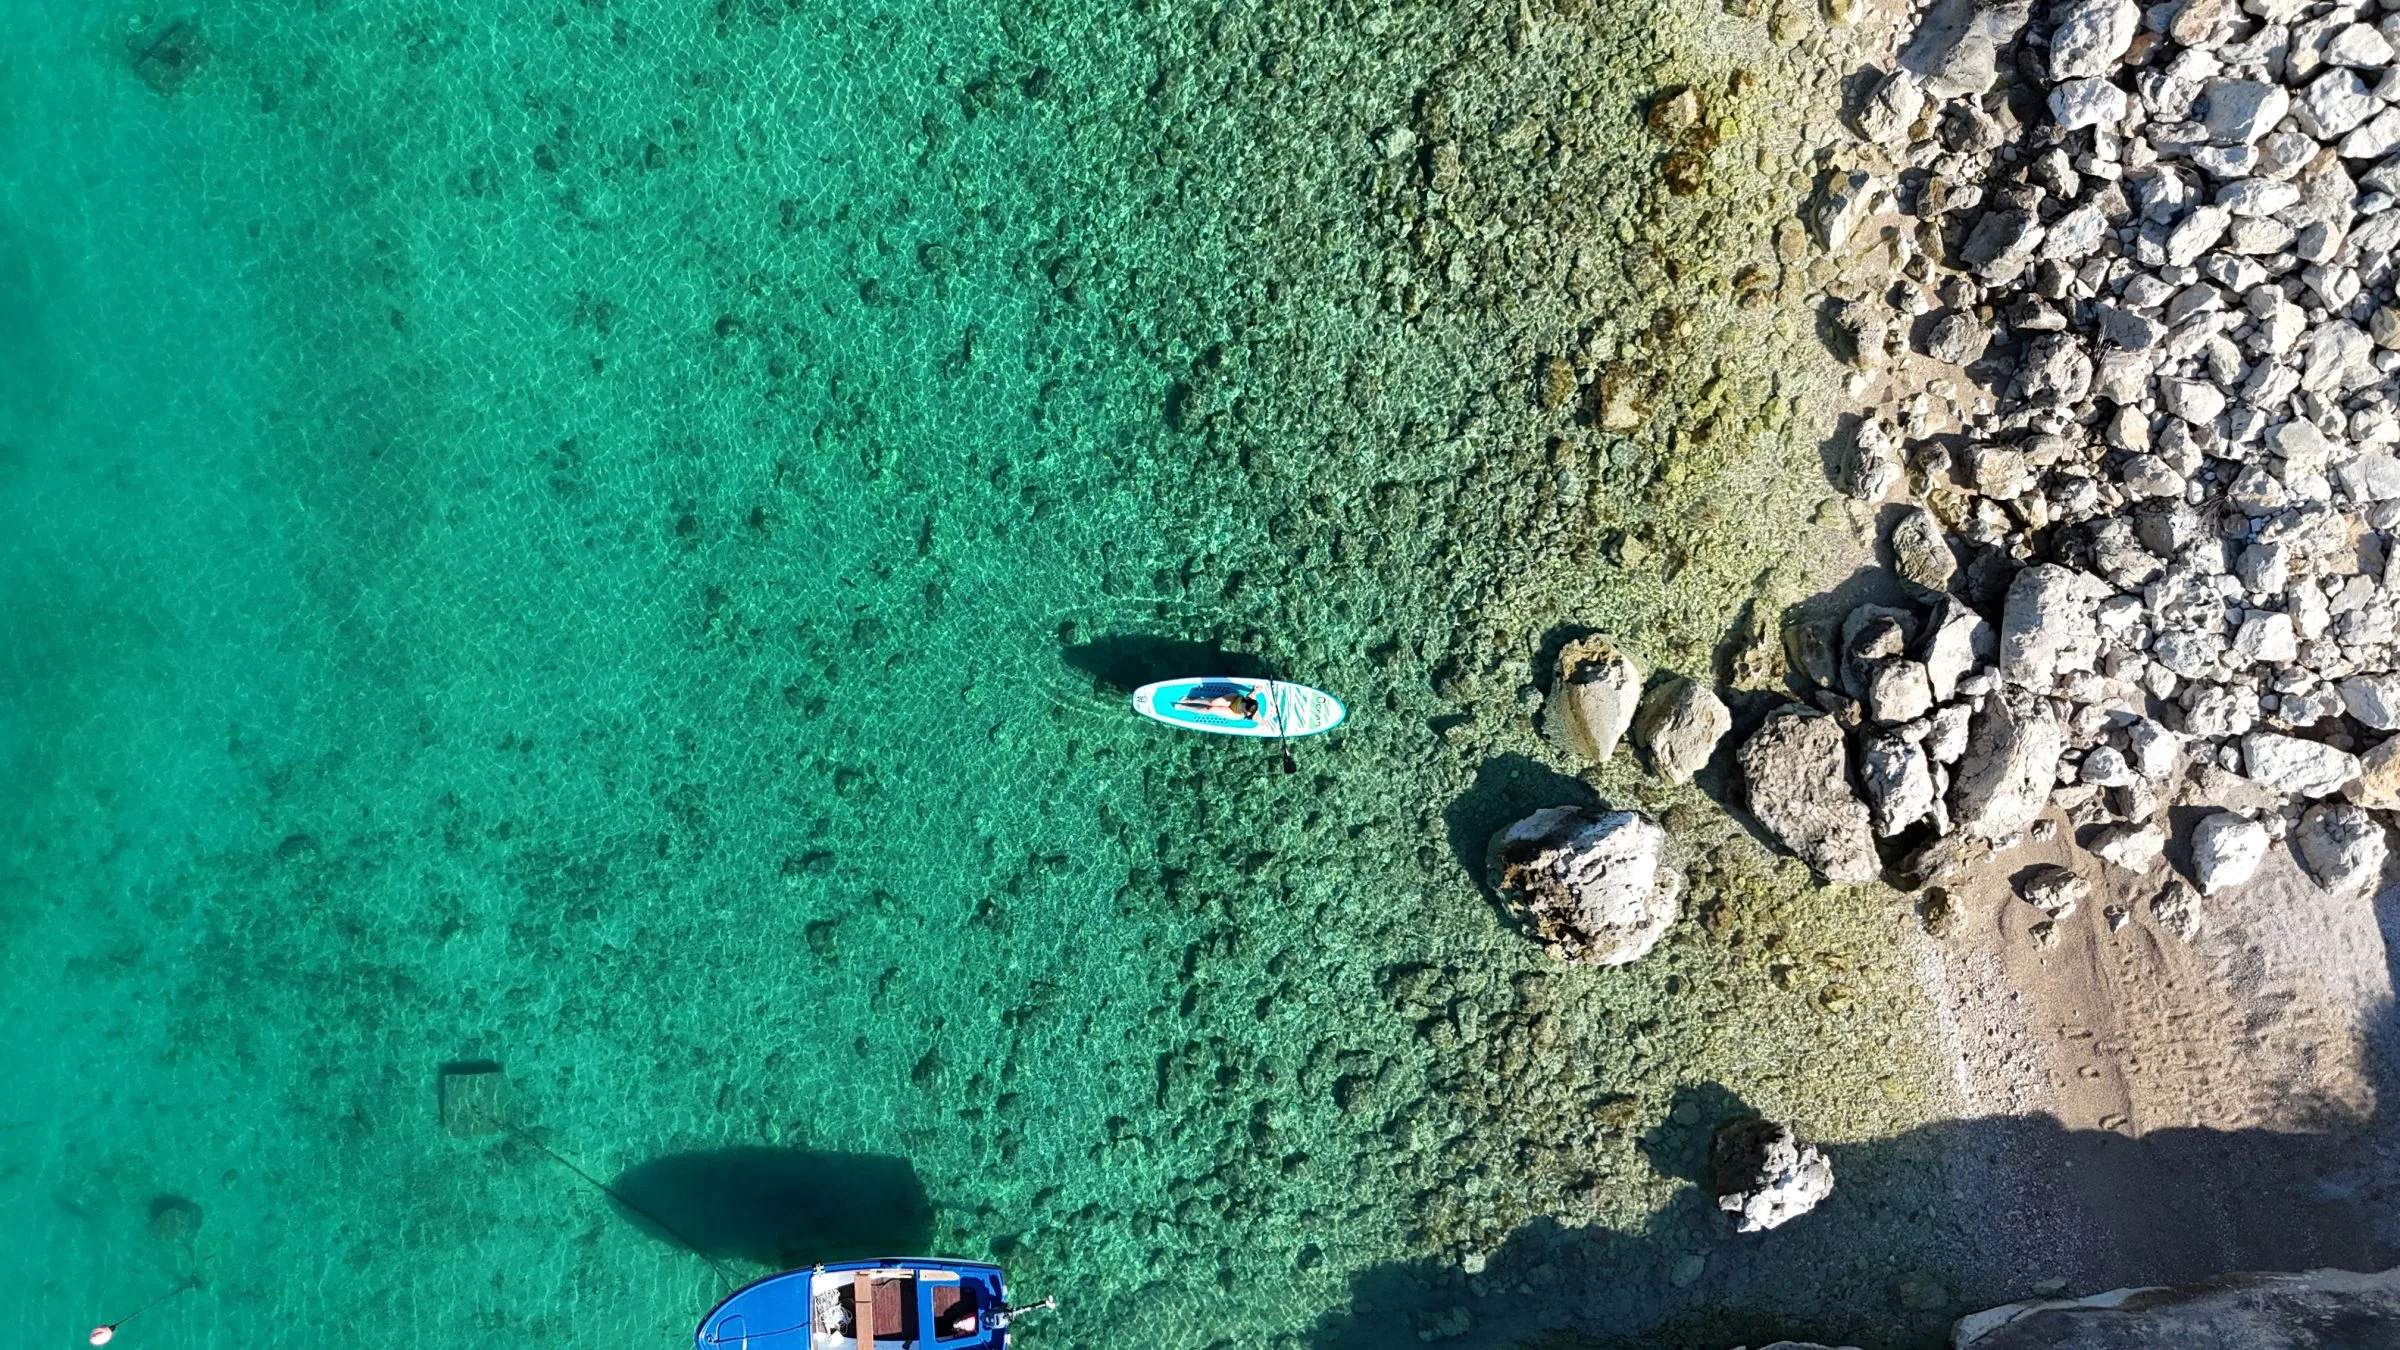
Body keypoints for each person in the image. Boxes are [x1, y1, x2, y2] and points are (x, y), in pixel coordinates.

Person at [1175, 684, 1260, 720]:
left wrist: (1264, 723)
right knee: (1213, 702)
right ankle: (1188, 700)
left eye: (1248, 713)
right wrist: (1257, 690)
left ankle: (1184, 707)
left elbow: (1259, 719)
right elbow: (1253, 693)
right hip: (1235, 699)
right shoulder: (1250, 699)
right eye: (1247, 711)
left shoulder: (1251, 713)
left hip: (1234, 713)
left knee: (1211, 709)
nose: (1248, 714)